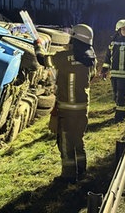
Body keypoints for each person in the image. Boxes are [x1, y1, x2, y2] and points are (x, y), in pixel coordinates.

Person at [34, 24, 97, 184]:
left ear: (74, 39)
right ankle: (81, 169)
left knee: (65, 142)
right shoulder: (91, 58)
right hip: (82, 107)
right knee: (78, 139)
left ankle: (68, 176)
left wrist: (38, 46)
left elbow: (44, 60)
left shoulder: (62, 57)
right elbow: (90, 75)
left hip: (67, 109)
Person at [101, 19, 125, 122]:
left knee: (122, 95)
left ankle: (121, 117)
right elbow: (108, 56)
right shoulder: (113, 42)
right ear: (118, 30)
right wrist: (104, 69)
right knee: (116, 95)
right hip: (115, 74)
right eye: (123, 28)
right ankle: (120, 113)